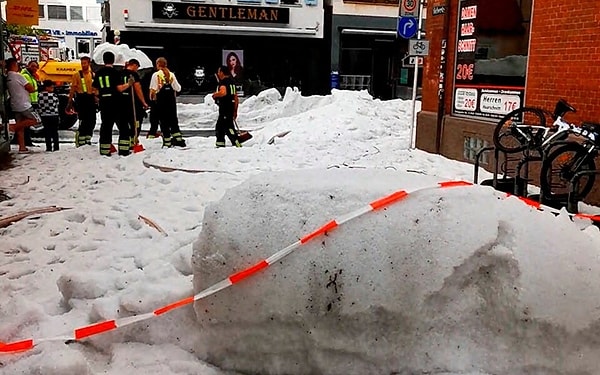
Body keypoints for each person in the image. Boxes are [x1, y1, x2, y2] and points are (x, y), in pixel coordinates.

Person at [92, 51, 134, 156]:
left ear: (104, 60)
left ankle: (104, 150)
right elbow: (119, 88)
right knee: (123, 126)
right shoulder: (116, 73)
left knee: (106, 126)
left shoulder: (98, 73)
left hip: (104, 103)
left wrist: (99, 97)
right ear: (113, 60)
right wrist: (129, 84)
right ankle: (124, 150)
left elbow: (95, 90)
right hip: (116, 103)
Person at [5, 58, 41, 153]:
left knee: (21, 127)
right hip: (24, 104)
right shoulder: (18, 76)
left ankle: (22, 147)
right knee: (36, 120)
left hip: (14, 103)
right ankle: (12, 127)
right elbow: (30, 88)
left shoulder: (7, 76)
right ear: (14, 65)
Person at [149, 57, 186, 148]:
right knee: (173, 121)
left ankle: (167, 142)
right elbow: (178, 88)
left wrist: (151, 99)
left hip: (161, 102)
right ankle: (178, 139)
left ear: (158, 64)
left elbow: (153, 89)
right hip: (171, 102)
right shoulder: (171, 75)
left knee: (164, 121)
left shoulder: (156, 75)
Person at [67, 56, 96, 147]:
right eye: (82, 63)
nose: (83, 65)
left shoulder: (93, 75)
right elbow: (72, 89)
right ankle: (80, 140)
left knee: (92, 120)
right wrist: (69, 102)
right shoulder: (77, 75)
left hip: (90, 99)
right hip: (81, 99)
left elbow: (95, 88)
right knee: (83, 120)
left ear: (89, 63)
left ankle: (88, 139)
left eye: (85, 63)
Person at [120, 59, 148, 151]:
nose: (137, 69)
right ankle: (133, 141)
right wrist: (143, 102)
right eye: (137, 67)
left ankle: (126, 142)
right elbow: (138, 89)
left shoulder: (119, 73)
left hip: (122, 103)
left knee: (125, 124)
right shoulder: (133, 75)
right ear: (134, 65)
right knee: (135, 123)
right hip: (132, 104)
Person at [212, 65, 241, 148]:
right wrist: (235, 110)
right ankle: (220, 143)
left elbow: (223, 92)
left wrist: (215, 95)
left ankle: (236, 142)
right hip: (231, 107)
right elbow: (236, 97)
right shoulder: (232, 82)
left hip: (225, 108)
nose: (218, 73)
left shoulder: (223, 82)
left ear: (222, 72)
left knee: (228, 127)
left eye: (218, 72)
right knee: (220, 126)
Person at [14, 60, 39, 147]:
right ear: (28, 66)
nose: (34, 68)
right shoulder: (25, 76)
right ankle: (24, 140)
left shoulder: (31, 76)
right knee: (31, 122)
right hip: (28, 102)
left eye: (36, 66)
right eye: (32, 66)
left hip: (32, 101)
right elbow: (30, 89)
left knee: (26, 124)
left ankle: (24, 141)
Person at [37, 80, 60, 152]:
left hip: (44, 116)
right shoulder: (53, 95)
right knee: (54, 132)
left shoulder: (39, 95)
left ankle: (48, 147)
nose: (52, 89)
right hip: (54, 115)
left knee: (47, 132)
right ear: (47, 87)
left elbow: (39, 105)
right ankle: (56, 147)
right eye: (52, 87)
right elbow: (57, 103)